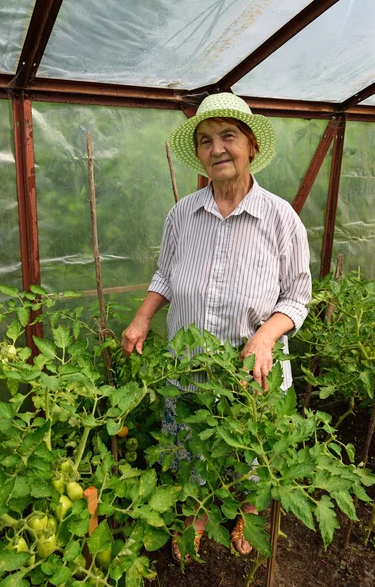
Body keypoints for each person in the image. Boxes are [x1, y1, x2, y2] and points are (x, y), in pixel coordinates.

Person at [121, 92, 312, 561]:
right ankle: (199, 514)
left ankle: (244, 512)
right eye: (206, 141)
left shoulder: (280, 217)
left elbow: (297, 296)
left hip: (250, 372)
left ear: (250, 146)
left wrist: (266, 335)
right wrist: (143, 316)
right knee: (187, 442)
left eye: (228, 136)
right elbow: (165, 273)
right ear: (200, 154)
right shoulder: (182, 214)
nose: (217, 149)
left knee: (250, 449)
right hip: (189, 367)